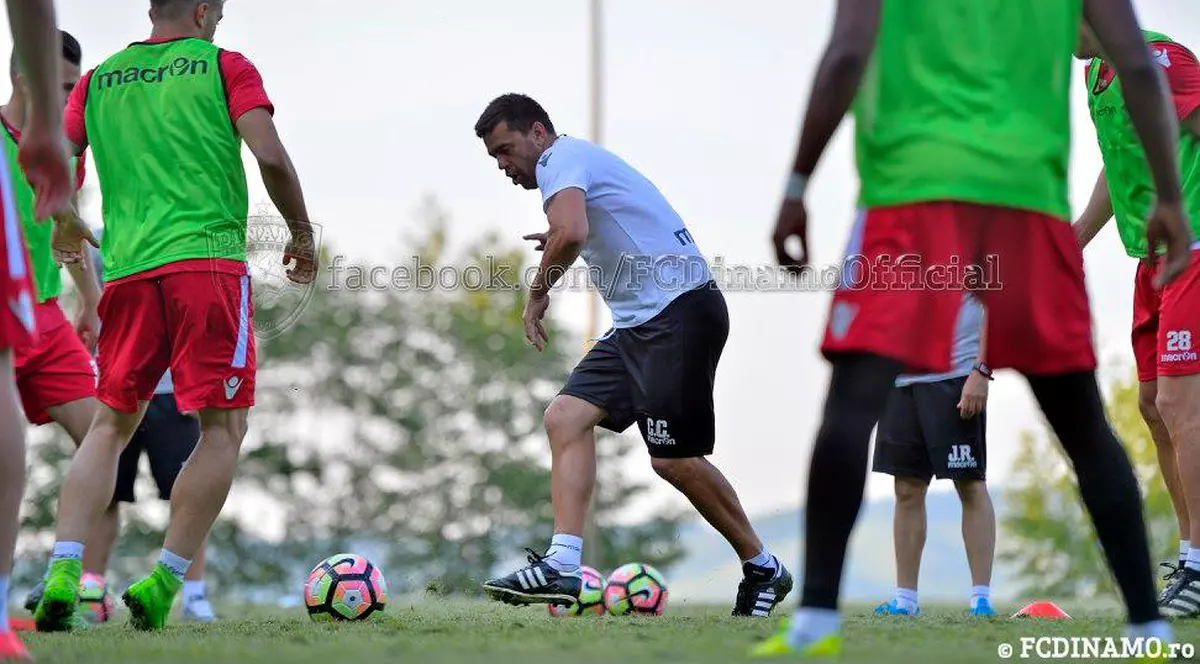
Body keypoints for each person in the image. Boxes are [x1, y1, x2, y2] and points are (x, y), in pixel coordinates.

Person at [751, 0, 1191, 658]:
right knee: (1083, 425)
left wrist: (796, 185)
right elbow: (1134, 62)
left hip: (910, 193)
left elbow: (846, 57)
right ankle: (1148, 628)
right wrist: (1171, 197)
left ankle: (815, 622)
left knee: (850, 408)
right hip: (1024, 199)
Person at [33, 0, 316, 633]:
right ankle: (165, 583)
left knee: (109, 425)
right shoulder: (225, 66)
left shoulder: (101, 77)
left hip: (129, 271)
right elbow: (270, 156)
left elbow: (52, 156)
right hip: (207, 267)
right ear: (202, 8)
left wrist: (65, 220)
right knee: (222, 430)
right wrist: (301, 235)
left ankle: (63, 571)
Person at [473, 93, 793, 618]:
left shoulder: (559, 160)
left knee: (673, 459)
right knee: (565, 417)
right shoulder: (569, 166)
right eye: (495, 159)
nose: (505, 165)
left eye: (507, 150)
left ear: (537, 132)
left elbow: (573, 231)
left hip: (678, 314)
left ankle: (763, 566)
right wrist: (558, 236)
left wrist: (537, 293)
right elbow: (580, 228)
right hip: (640, 324)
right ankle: (564, 565)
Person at [24, 230, 219, 624]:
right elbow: (88, 303)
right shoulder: (94, 241)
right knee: (107, 493)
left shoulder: (189, 238)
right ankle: (88, 590)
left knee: (184, 497)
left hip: (171, 395)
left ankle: (194, 596)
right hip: (114, 388)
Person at [1072, 26, 1200, 618]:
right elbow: (1113, 170)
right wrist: (1072, 241)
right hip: (1147, 264)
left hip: (1192, 248)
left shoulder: (1158, 59)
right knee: (1152, 405)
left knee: (1181, 406)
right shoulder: (1095, 75)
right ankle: (1191, 552)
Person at [0, 0, 76, 658]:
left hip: (49, 319)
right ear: (24, 74)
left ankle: (67, 584)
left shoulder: (70, 155)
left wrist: (95, 296)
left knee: (108, 430)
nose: (70, 98)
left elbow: (70, 234)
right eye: (63, 87)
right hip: (12, 309)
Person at [870, 295, 996, 618]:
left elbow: (997, 300)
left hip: (956, 375)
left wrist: (981, 371)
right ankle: (905, 601)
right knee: (906, 489)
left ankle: (981, 599)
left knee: (969, 484)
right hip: (899, 378)